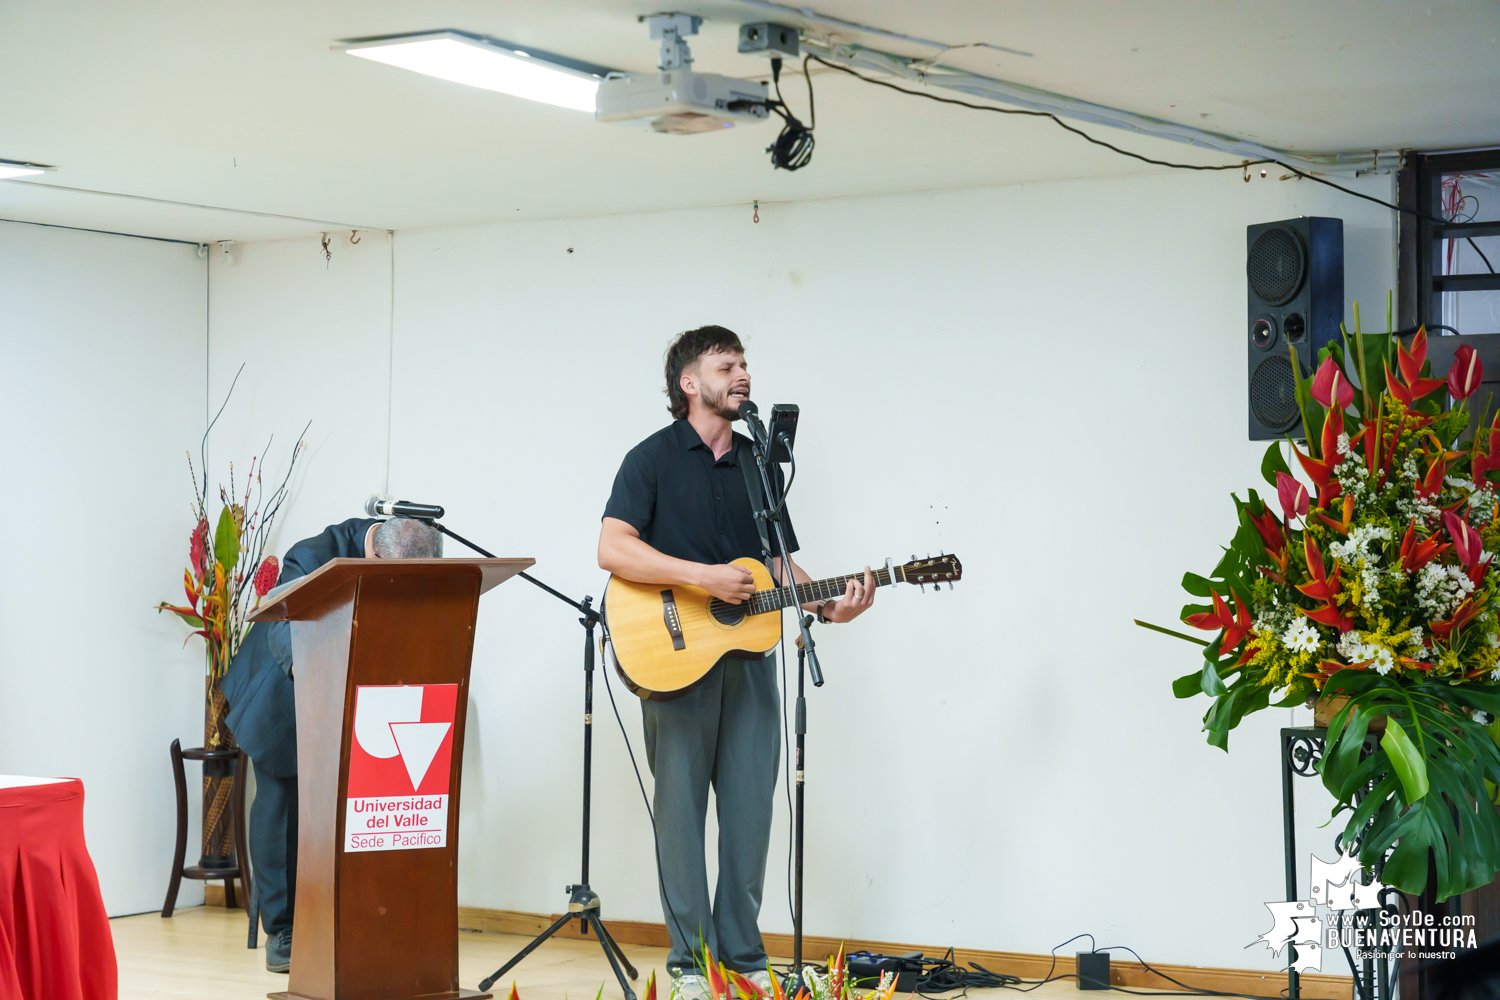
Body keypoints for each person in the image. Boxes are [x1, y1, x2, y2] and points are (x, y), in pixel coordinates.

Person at [597, 325, 876, 999]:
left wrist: (824, 603)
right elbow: (613, 549)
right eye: (727, 365)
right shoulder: (650, 459)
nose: (742, 373)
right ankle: (693, 966)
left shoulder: (758, 463)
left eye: (745, 363)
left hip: (748, 656)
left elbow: (775, 560)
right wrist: (701, 580)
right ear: (691, 383)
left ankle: (745, 958)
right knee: (682, 817)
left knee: (752, 811)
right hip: (672, 658)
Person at [221, 515, 442, 973]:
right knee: (281, 801)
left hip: (358, 693)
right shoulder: (312, 554)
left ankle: (351, 917)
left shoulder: (404, 547)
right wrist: (317, 675)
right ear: (374, 555)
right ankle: (282, 932)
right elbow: (285, 622)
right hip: (280, 691)